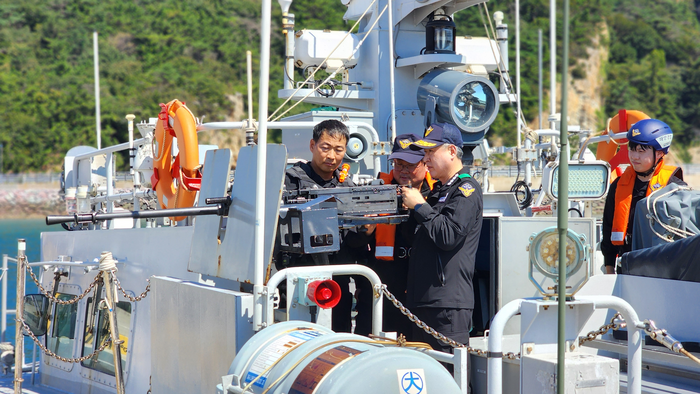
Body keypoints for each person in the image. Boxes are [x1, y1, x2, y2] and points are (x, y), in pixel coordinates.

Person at [401, 123, 483, 355]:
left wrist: (420, 206)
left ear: (451, 151)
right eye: (424, 152)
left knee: (449, 376)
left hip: (447, 306)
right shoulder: (437, 191)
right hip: (425, 301)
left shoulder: (466, 190)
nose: (425, 159)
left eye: (430, 152)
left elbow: (448, 235)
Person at [276, 119, 362, 332]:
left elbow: (355, 240)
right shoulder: (290, 181)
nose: (332, 156)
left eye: (338, 150)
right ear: (312, 146)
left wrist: (367, 230)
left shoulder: (347, 186)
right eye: (325, 148)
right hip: (297, 278)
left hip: (337, 281)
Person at [353, 133, 436, 337]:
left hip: (422, 295)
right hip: (379, 293)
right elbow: (354, 245)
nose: (403, 171)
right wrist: (365, 230)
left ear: (425, 163)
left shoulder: (437, 196)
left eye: (409, 165)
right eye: (398, 164)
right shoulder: (375, 193)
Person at [601, 119, 685, 274]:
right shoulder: (618, 185)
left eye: (641, 151)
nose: (634, 156)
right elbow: (608, 228)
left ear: (659, 153)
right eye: (632, 149)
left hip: (663, 269)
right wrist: (609, 267)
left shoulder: (675, 187)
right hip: (627, 265)